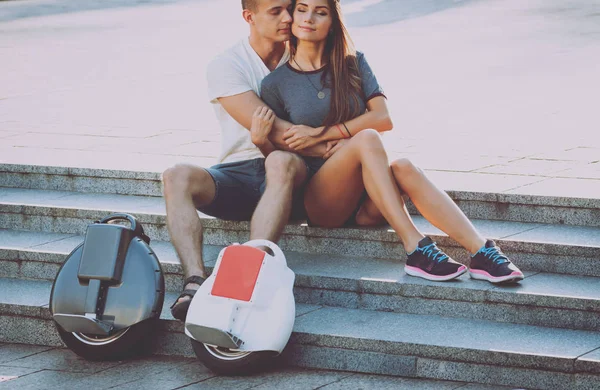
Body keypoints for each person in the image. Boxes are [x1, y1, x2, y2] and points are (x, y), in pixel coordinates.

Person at [255, 0, 524, 284]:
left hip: (369, 202)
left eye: (320, 12)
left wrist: (321, 133)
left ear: (333, 22)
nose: (309, 18)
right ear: (292, 17)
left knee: (404, 166)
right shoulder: (275, 84)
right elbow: (284, 155)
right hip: (323, 201)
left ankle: (481, 252)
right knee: (367, 138)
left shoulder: (353, 62)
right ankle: (415, 247)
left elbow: (383, 118)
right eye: (302, 9)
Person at [162, 0, 327, 321]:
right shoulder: (227, 64)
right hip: (236, 174)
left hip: (291, 174)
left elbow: (283, 143)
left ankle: (245, 276)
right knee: (176, 174)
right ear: (249, 17)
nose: (289, 18)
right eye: (276, 11)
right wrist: (323, 141)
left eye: (290, 9)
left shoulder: (305, 54)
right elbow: (279, 132)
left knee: (280, 159)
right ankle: (194, 280)